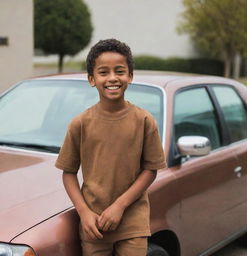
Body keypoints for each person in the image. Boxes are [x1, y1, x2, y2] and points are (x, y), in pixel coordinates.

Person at [55, 38, 166, 256]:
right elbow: (68, 172)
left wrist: (119, 206)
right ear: (91, 79)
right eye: (103, 72)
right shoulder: (80, 123)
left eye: (120, 71)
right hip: (93, 224)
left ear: (130, 76)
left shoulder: (144, 120)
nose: (112, 78)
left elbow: (151, 169)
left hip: (132, 221)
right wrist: (84, 213)